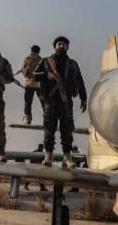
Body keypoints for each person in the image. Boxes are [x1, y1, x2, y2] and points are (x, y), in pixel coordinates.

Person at [33, 36, 87, 169]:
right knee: (49, 129)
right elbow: (34, 75)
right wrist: (47, 75)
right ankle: (48, 156)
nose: (61, 46)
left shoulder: (73, 64)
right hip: (51, 100)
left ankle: (67, 156)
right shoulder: (46, 61)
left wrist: (83, 98)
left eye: (64, 44)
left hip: (66, 101)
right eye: (59, 44)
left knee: (67, 130)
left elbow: (80, 81)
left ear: (67, 47)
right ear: (55, 46)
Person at [19, 44, 44, 125]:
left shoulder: (27, 59)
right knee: (43, 101)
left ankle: (27, 119)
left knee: (28, 102)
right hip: (39, 84)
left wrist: (27, 74)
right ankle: (47, 118)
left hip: (29, 83)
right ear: (39, 51)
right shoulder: (41, 60)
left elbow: (23, 70)